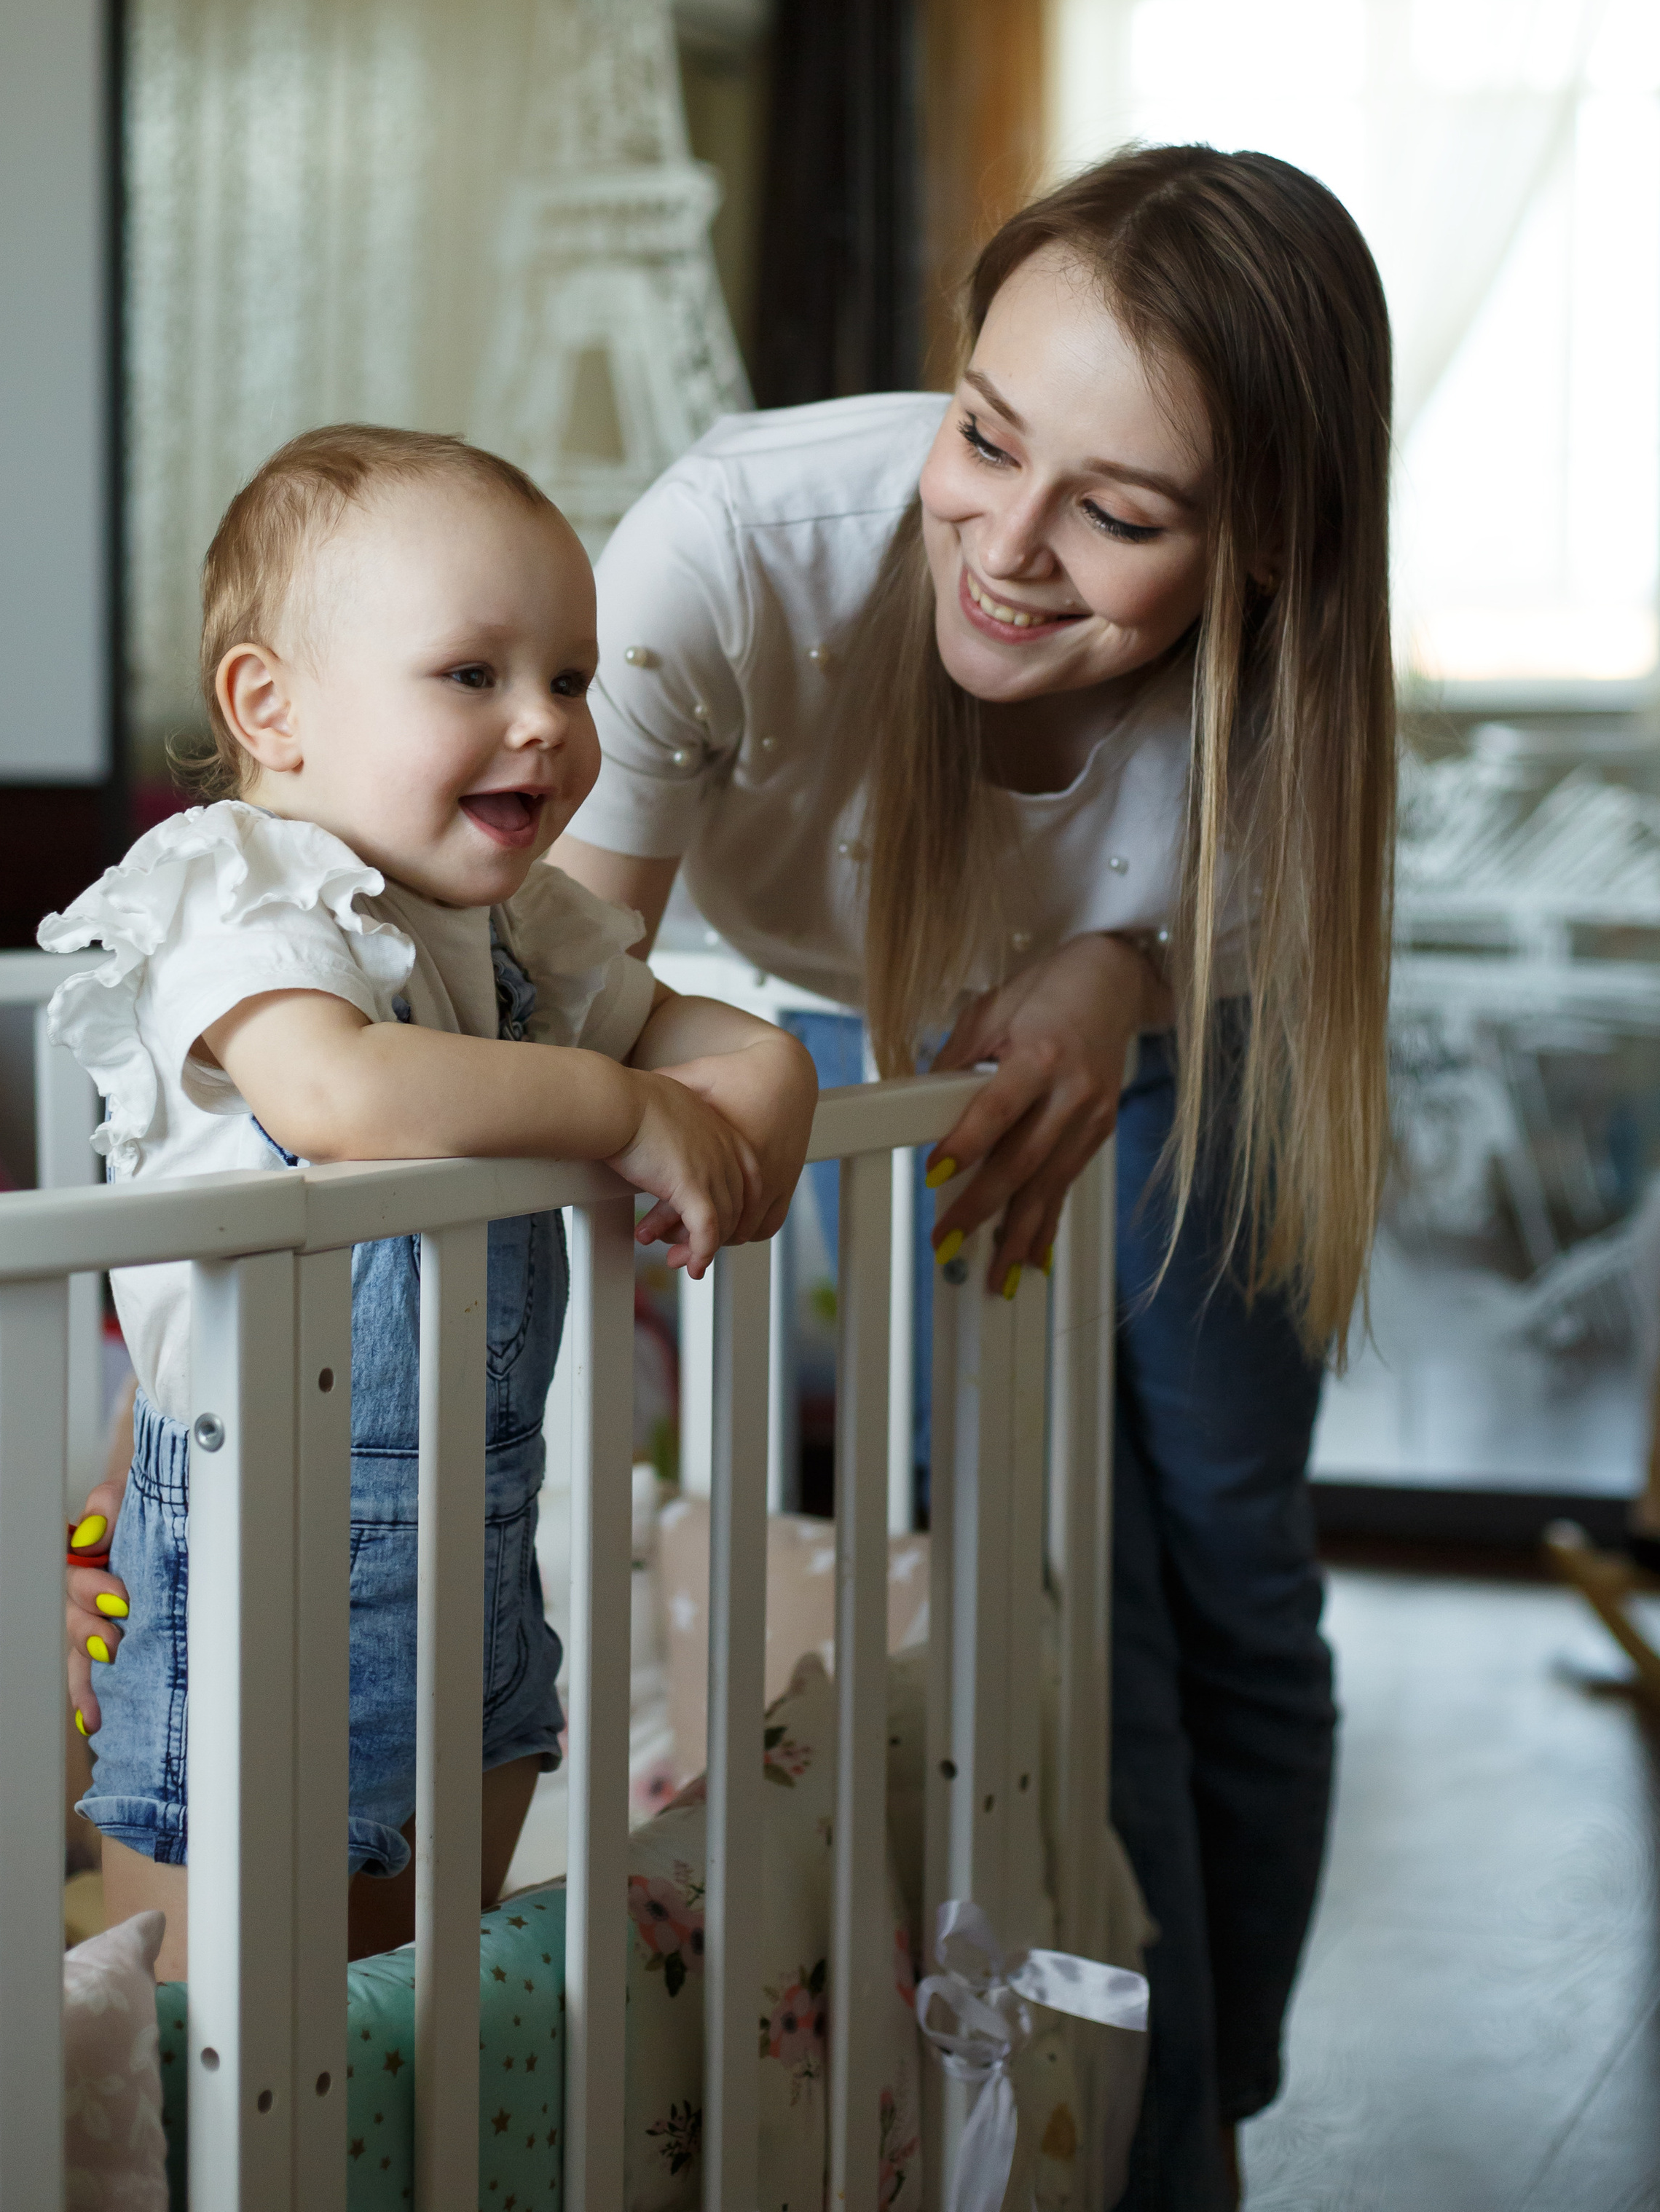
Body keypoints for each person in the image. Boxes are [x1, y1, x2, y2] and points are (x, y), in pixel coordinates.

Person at [551, 145, 1396, 2211]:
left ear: (1266, 548)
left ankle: (1211, 2091)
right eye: (984, 438)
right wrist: (708, 1062)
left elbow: (1260, 919)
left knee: (1234, 1579)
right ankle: (1143, 2143)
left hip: (1211, 1023)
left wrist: (1123, 966)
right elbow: (564, 976)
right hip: (845, 1025)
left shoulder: (1285, 696)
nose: (1006, 549)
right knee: (1051, 1597)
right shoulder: (742, 545)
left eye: (1114, 514)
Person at [47, 425, 816, 1981]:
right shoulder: (234, 888)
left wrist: (762, 1113)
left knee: (416, 2019)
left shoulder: (522, 930)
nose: (542, 722)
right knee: (230, 2028)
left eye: (573, 678)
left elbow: (715, 1037)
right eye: (472, 676)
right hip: (256, 1582)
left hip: (478, 1559)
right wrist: (618, 1109)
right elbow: (336, 1096)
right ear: (270, 707)